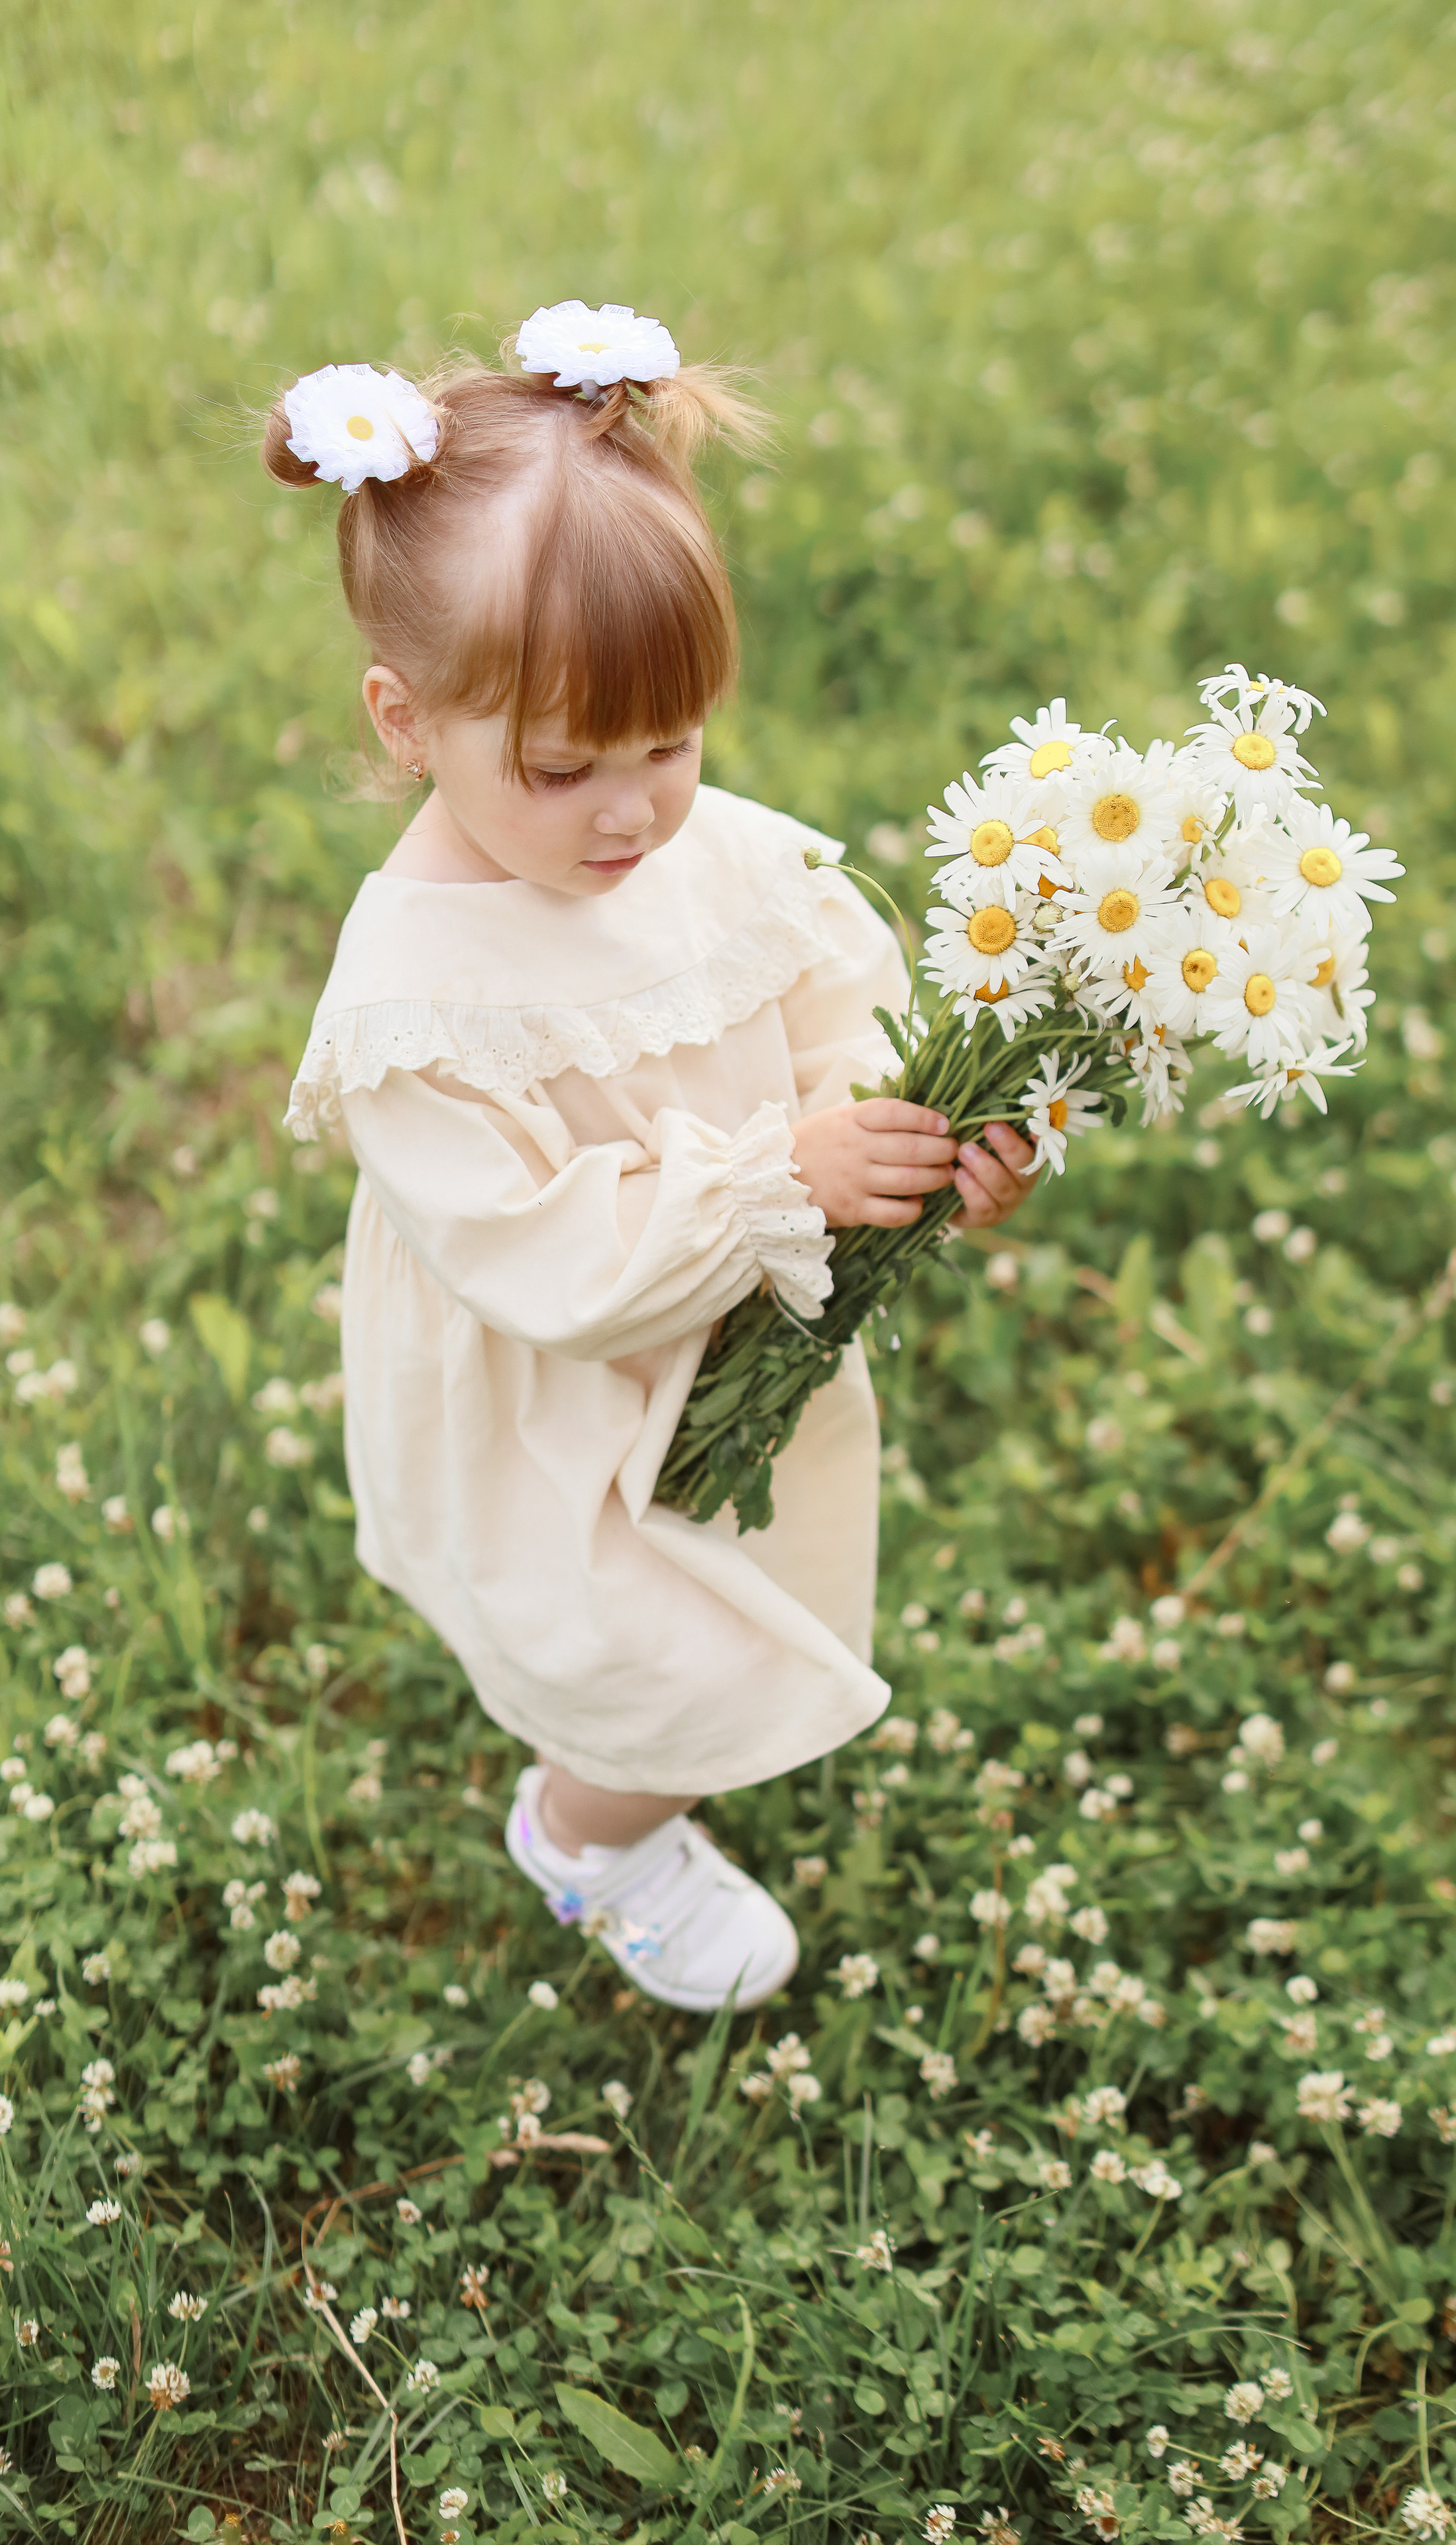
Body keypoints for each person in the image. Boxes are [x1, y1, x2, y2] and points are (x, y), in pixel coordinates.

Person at [273, 301, 1036, 2013]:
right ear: (408, 723)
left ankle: (634, 1797)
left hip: (741, 1344)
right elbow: (547, 1265)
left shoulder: (718, 865)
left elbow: (841, 1019)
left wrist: (922, 1132)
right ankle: (590, 1833)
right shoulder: (414, 1005)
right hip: (563, 1401)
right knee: (643, 1670)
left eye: (673, 748)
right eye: (561, 768)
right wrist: (787, 1178)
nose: (630, 815)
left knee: (766, 1585)